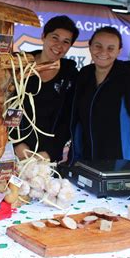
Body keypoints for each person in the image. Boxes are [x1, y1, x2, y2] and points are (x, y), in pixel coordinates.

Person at [69, 26, 130, 164]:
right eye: (98, 46)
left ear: (119, 51)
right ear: (90, 46)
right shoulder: (84, 76)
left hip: (122, 164)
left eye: (110, 48)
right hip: (87, 162)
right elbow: (77, 121)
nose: (103, 52)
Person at [14, 15, 79, 161]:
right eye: (55, 38)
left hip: (46, 157)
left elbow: (68, 119)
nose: (59, 45)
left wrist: (50, 152)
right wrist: (16, 143)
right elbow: (6, 106)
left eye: (66, 41)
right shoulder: (19, 64)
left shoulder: (71, 75)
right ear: (43, 36)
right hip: (13, 149)